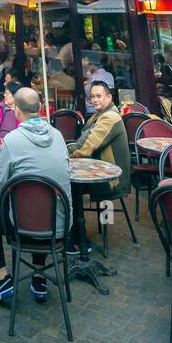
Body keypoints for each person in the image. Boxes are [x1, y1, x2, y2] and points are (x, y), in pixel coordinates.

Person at [0, 87, 72, 307]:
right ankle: (39, 276)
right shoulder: (58, 137)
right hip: (59, 226)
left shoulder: (12, 140)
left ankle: (1, 279)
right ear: (40, 108)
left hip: (22, 227)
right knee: (40, 205)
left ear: (16, 111)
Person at [67, 77, 132, 246]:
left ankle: (79, 239)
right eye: (92, 97)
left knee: (71, 188)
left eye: (99, 96)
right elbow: (83, 141)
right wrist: (67, 150)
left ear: (109, 97)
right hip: (101, 172)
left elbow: (87, 147)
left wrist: (66, 157)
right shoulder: (99, 115)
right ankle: (76, 234)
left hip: (111, 180)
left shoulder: (109, 117)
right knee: (70, 186)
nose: (94, 99)